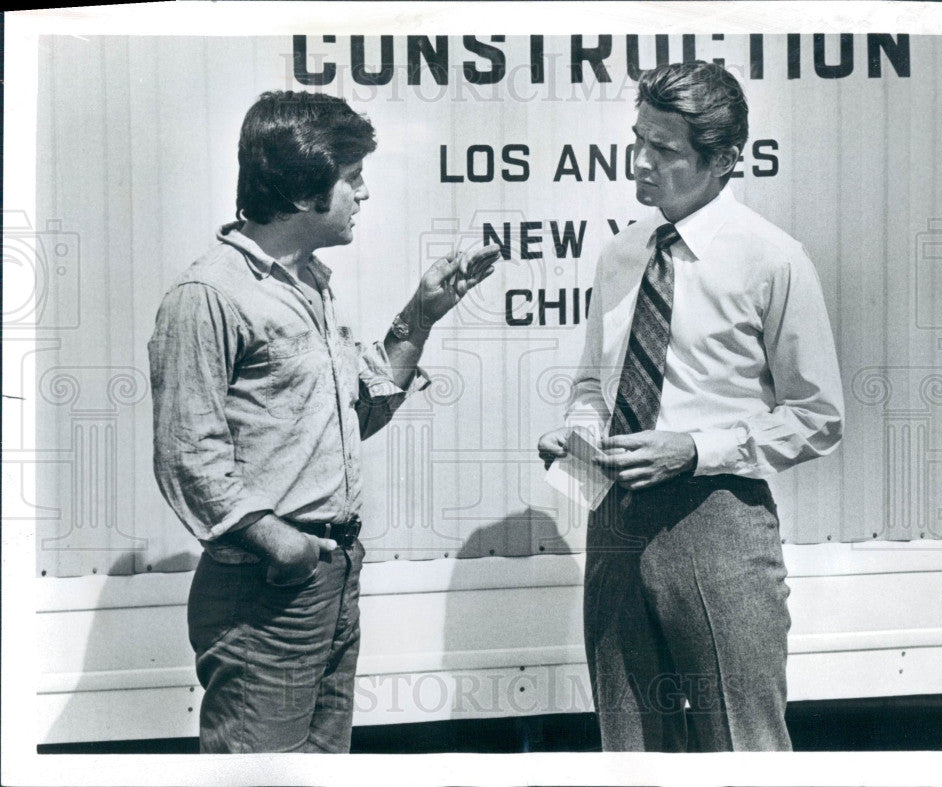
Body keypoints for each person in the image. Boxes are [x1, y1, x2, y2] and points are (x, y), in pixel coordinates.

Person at [149, 90, 499, 753]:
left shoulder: (309, 283)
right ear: (309, 185)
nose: (363, 195)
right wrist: (280, 544)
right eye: (353, 178)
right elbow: (185, 451)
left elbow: (350, 417)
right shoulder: (209, 295)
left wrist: (420, 316)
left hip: (331, 577)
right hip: (268, 588)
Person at [537, 61, 844, 752]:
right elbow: (594, 385)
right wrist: (580, 433)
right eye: (638, 140)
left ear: (724, 160)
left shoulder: (772, 260)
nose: (641, 163)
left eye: (665, 150)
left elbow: (818, 415)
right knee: (631, 743)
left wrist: (696, 449)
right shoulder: (621, 253)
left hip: (718, 524)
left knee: (742, 743)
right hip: (613, 520)